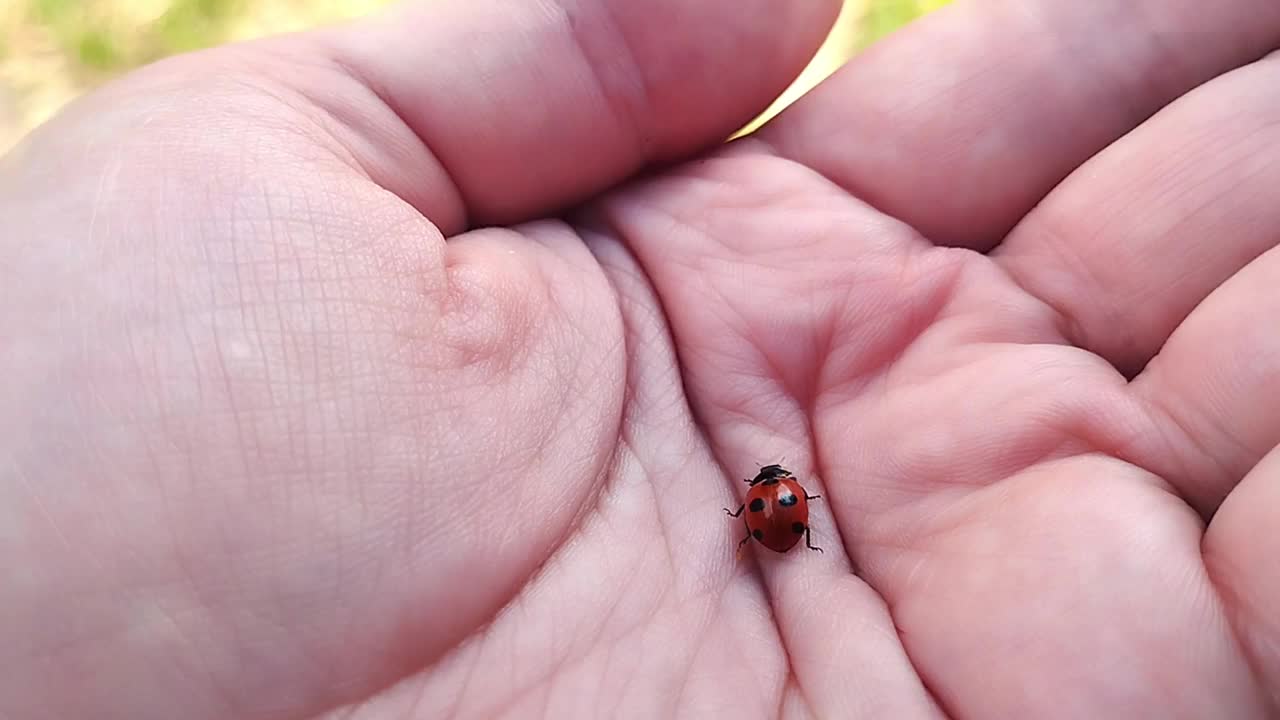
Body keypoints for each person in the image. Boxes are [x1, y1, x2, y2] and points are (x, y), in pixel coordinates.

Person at [3, 0, 1278, 717]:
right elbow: (778, 516)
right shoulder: (780, 499)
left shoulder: (767, 500)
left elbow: (769, 516)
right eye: (774, 498)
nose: (774, 498)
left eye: (770, 499)